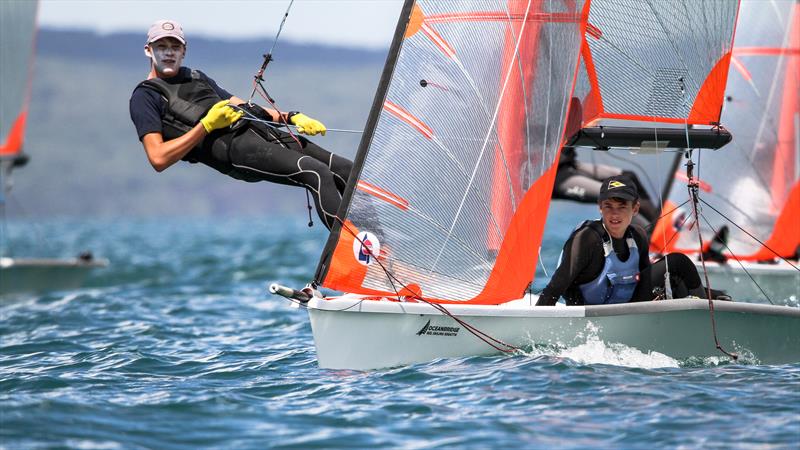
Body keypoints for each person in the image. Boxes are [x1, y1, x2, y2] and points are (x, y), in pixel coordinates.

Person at [129, 20, 352, 229]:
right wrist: (206, 126)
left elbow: (246, 107)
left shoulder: (196, 77)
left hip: (260, 131)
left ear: (183, 51)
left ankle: (383, 249)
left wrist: (294, 117)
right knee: (317, 171)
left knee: (347, 169)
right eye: (161, 46)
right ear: (148, 50)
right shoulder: (145, 96)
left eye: (174, 46)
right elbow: (158, 158)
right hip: (237, 152)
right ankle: (356, 255)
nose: (168, 52)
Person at [536, 175, 729, 306]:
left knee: (676, 268)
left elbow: (648, 281)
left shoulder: (637, 236)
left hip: (626, 312)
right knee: (678, 262)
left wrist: (710, 292)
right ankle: (705, 310)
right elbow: (554, 288)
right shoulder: (587, 238)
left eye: (622, 207)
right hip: (590, 317)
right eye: (608, 206)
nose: (614, 214)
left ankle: (707, 307)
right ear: (600, 207)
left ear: (635, 209)